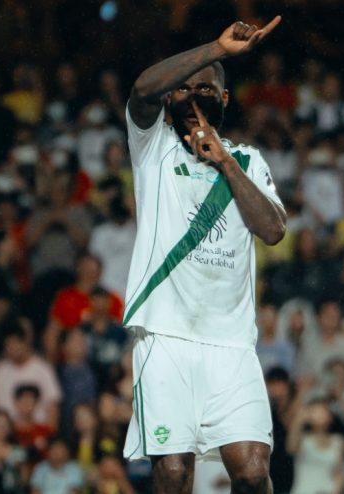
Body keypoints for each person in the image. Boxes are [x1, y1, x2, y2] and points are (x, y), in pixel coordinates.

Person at [122, 16, 286, 494]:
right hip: (167, 337)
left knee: (253, 474)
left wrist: (225, 162)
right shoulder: (152, 148)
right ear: (169, 99)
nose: (193, 95)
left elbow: (273, 230)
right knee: (174, 474)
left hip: (231, 343)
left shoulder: (248, 159)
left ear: (225, 99)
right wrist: (217, 49)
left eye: (205, 88)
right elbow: (142, 88)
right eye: (183, 88)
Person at [287, 400, 344, 494]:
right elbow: (291, 448)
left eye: (323, 411)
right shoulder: (303, 440)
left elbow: (339, 472)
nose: (319, 414)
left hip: (328, 491)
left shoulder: (338, 441)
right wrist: (299, 420)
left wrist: (336, 491)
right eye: (314, 411)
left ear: (330, 416)